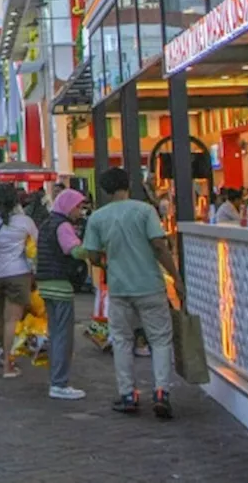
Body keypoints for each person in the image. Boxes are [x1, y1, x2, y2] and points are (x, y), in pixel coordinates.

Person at [83, 167, 185, 418]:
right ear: (128, 184)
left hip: (119, 288)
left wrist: (107, 263)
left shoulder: (98, 217)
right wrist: (176, 278)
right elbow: (159, 246)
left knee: (122, 340)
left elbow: (93, 255)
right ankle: (161, 391)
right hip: (150, 285)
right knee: (160, 340)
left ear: (105, 190)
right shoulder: (144, 211)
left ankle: (128, 394)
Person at [37, 188, 90, 401]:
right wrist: (92, 247)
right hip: (60, 284)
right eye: (77, 206)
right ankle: (59, 383)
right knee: (63, 336)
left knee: (55, 332)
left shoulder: (46, 223)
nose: (79, 211)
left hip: (46, 284)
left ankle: (56, 379)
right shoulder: (63, 226)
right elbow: (74, 251)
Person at [0, 184, 38, 380]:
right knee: (12, 321)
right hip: (18, 274)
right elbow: (36, 246)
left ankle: (5, 354)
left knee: (0, 319)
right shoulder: (25, 222)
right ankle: (8, 364)